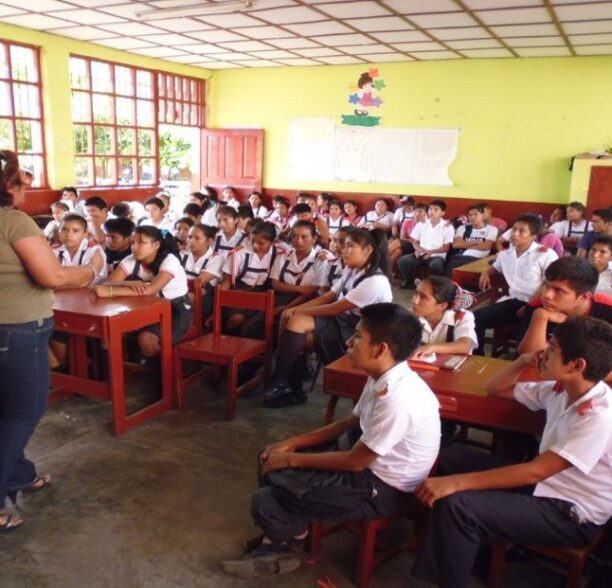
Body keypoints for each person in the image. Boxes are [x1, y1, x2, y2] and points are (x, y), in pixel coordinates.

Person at [221, 303, 441, 578]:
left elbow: (355, 463)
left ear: (380, 349)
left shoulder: (399, 399)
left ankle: (283, 541)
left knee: (265, 499)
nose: (349, 342)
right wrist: (291, 444)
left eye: (358, 336)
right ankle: (285, 534)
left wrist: (291, 459)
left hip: (382, 489)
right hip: (361, 458)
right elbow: (348, 423)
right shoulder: (382, 375)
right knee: (269, 456)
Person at [412, 316, 612, 588]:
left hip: (569, 513)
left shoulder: (599, 416)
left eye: (552, 349)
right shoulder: (562, 390)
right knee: (449, 457)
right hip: (543, 488)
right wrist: (522, 361)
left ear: (577, 366)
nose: (543, 353)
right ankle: (441, 543)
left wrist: (454, 483)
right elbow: (495, 389)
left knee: (459, 507)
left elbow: (535, 471)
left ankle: (449, 576)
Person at [1, 150, 95, 530]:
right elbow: (52, 276)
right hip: (18, 329)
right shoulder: (13, 220)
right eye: (22, 183)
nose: (27, 190)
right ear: (7, 186)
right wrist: (87, 273)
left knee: (6, 410)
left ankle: (19, 473)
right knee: (23, 412)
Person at [262, 228, 392, 408]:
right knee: (295, 322)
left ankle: (291, 388)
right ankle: (282, 381)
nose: (343, 250)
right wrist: (293, 310)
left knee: (297, 335)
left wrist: (298, 311)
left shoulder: (374, 281)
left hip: (359, 331)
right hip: (342, 321)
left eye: (349, 246)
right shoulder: (352, 270)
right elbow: (327, 297)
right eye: (344, 245)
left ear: (368, 250)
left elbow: (333, 308)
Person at [94, 226, 192, 386]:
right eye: (133, 242)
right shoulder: (131, 260)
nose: (135, 247)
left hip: (174, 310)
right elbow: (108, 282)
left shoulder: (169, 261)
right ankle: (110, 384)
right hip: (142, 309)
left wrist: (109, 292)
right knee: (108, 332)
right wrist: (128, 283)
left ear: (156, 245)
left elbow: (150, 290)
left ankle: (164, 385)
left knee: (146, 339)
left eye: (141, 243)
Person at [473, 214, 558, 355]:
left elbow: (550, 283)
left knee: (525, 337)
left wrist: (531, 305)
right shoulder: (505, 254)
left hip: (538, 305)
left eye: (521, 231)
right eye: (514, 229)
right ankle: (477, 358)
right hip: (513, 302)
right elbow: (496, 267)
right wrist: (486, 273)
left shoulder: (546, 254)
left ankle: (520, 363)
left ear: (533, 236)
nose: (515, 234)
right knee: (475, 319)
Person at [517, 256, 612, 354]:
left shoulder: (608, 309)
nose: (546, 295)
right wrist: (540, 317)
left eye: (558, 290)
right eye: (546, 286)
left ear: (584, 297)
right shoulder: (536, 307)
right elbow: (527, 356)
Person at [411, 276, 478, 359]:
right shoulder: (410, 316)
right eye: (416, 293)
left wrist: (431, 348)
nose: (415, 301)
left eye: (423, 297)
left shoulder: (461, 317)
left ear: (442, 306)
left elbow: (464, 345)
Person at [397, 199, 454, 289]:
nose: (432, 212)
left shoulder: (448, 227)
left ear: (442, 213)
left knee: (435, 266)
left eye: (436, 209)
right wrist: (418, 249)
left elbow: (446, 248)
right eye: (430, 209)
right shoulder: (421, 224)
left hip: (437, 255)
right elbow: (415, 242)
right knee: (402, 261)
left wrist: (432, 252)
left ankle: (433, 286)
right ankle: (409, 282)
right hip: (421, 253)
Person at [180, 223, 223, 319]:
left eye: (197, 238)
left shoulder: (216, 259)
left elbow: (198, 282)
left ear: (209, 241)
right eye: (189, 237)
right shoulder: (181, 253)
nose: (191, 241)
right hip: (181, 292)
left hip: (203, 299)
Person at [445, 204, 497, 277]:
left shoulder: (492, 229)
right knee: (452, 263)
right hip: (460, 256)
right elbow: (456, 245)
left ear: (482, 215)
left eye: (475, 214)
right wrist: (477, 242)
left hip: (479, 260)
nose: (472, 217)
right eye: (470, 215)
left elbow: (486, 246)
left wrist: (465, 244)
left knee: (454, 264)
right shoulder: (463, 228)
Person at [388, 202, 427, 272]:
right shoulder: (407, 222)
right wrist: (412, 240)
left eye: (420, 211)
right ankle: (387, 272)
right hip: (406, 245)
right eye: (415, 211)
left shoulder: (427, 225)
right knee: (398, 251)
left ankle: (380, 259)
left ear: (426, 213)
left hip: (417, 248)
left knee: (397, 242)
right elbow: (402, 237)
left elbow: (422, 241)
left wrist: (411, 240)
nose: (417, 213)